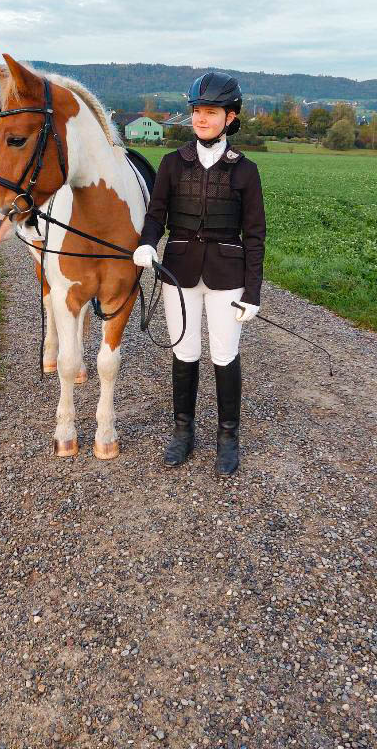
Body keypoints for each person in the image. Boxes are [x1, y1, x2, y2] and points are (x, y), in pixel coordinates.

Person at [133, 71, 266, 475]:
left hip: (228, 276)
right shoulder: (173, 164)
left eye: (210, 112)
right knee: (184, 352)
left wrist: (254, 293)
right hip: (179, 272)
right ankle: (183, 432)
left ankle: (228, 438)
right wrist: (146, 242)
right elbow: (156, 216)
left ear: (230, 116)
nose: (201, 119)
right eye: (196, 111)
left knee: (224, 354)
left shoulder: (245, 171)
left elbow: (255, 235)